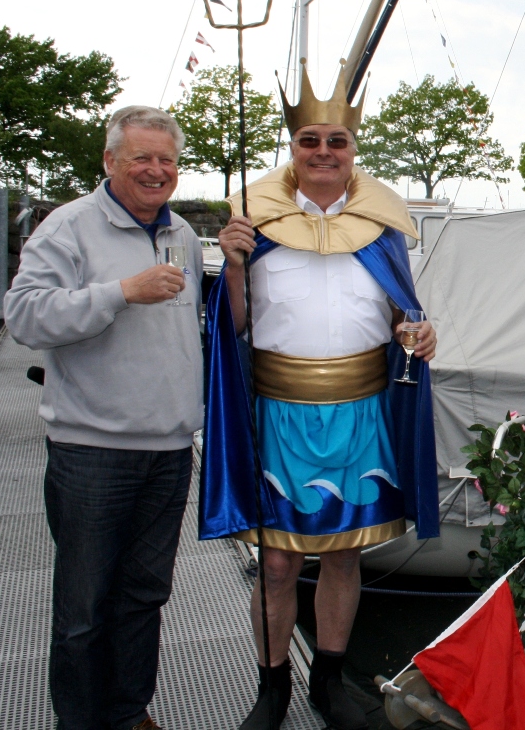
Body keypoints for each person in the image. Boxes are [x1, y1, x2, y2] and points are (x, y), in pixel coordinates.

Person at [204, 60, 439, 730]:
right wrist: (234, 265)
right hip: (278, 413)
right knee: (278, 563)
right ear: (293, 149)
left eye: (337, 141)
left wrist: (419, 331)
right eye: (310, 140)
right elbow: (234, 328)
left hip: (361, 412)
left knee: (343, 553)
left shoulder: (382, 231)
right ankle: (271, 685)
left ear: (353, 150)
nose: (324, 152)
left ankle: (328, 680)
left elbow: (400, 314)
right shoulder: (257, 225)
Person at [5, 106, 203, 730]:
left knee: (145, 596)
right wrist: (121, 292)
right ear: (110, 160)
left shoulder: (184, 234)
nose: (155, 170)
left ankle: (128, 713)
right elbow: (25, 316)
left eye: (166, 159)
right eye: (141, 157)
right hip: (92, 452)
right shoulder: (68, 227)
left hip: (169, 450)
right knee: (84, 607)